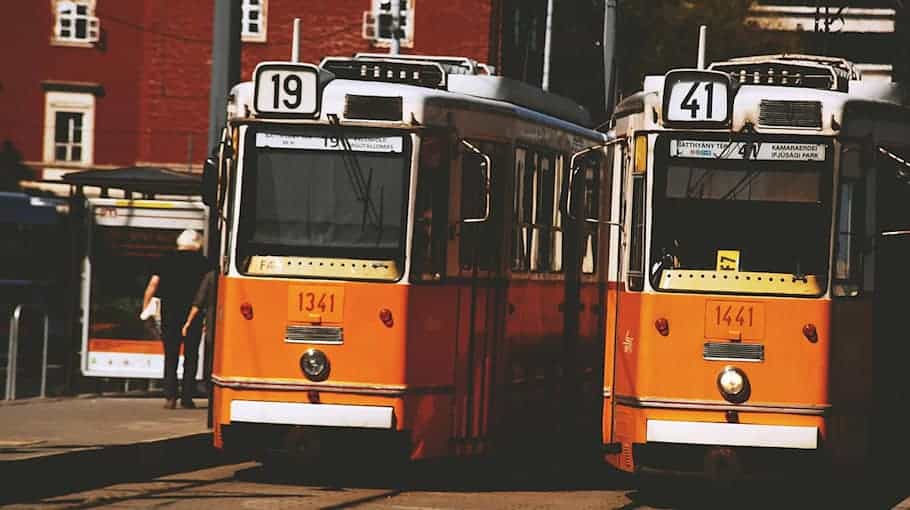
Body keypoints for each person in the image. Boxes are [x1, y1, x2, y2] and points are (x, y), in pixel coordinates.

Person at [142, 229, 209, 410]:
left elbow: (153, 285)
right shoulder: (203, 262)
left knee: (170, 355)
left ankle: (170, 397)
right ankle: (187, 397)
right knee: (191, 356)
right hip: (193, 315)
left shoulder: (166, 259)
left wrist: (145, 308)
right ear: (198, 243)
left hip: (170, 313)